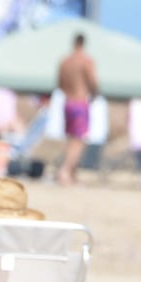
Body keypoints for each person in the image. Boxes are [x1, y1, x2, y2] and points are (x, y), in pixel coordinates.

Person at [56, 32, 98, 183]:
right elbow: (93, 81)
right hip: (80, 102)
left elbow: (59, 84)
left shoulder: (65, 62)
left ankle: (73, 173)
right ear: (83, 44)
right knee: (79, 140)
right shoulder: (86, 61)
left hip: (67, 102)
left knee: (71, 138)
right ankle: (65, 170)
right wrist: (94, 94)